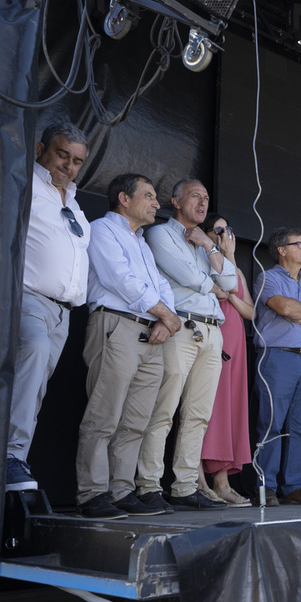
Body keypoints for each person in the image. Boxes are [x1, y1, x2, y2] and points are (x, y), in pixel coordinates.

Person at [75, 173, 181, 518]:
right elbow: (122, 281)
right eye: (149, 196)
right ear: (124, 198)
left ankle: (121, 491)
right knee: (104, 415)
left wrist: (166, 320)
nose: (156, 203)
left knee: (135, 420)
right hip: (117, 326)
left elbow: (161, 285)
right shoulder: (103, 230)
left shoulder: (141, 241)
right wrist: (167, 316)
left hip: (150, 333)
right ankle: (92, 494)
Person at [136, 179, 235, 511]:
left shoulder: (204, 240)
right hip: (181, 326)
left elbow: (231, 284)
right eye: (196, 196)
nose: (203, 202)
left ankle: (184, 486)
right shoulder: (160, 234)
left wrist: (209, 244)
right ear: (176, 201)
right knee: (163, 410)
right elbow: (196, 280)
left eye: (207, 198)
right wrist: (214, 278)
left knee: (198, 415)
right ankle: (148, 485)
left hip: (211, 331)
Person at [7, 123, 91, 492]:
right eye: (62, 154)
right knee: (33, 355)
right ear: (41, 148)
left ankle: (16, 459)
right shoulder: (24, 184)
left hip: (63, 312)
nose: (68, 165)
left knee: (35, 385)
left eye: (77, 161)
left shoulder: (71, 200)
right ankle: (10, 456)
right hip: (26, 298)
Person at [252, 228, 301, 506]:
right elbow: (283, 307)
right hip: (277, 356)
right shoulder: (268, 277)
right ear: (282, 250)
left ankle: (294, 485)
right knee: (271, 423)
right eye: (299, 244)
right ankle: (267, 486)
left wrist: (299, 312)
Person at [197, 214, 253, 506]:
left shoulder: (237, 270)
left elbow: (249, 312)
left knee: (229, 411)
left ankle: (222, 482)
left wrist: (230, 296)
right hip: (211, 341)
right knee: (206, 410)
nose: (224, 234)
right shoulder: (202, 262)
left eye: (227, 229)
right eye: (217, 230)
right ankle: (200, 481)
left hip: (236, 345)